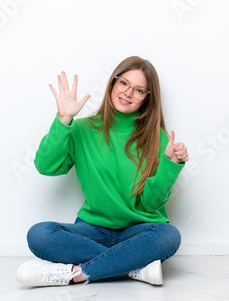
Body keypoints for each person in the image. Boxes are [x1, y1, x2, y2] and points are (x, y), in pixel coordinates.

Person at [16, 56, 189, 287]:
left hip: (137, 231)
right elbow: (46, 166)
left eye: (139, 90)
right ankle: (133, 266)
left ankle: (77, 273)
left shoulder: (157, 138)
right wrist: (64, 119)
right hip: (92, 229)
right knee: (39, 234)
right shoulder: (82, 130)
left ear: (147, 99)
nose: (128, 93)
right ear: (113, 83)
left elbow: (150, 204)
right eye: (124, 83)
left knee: (169, 236)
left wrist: (170, 164)